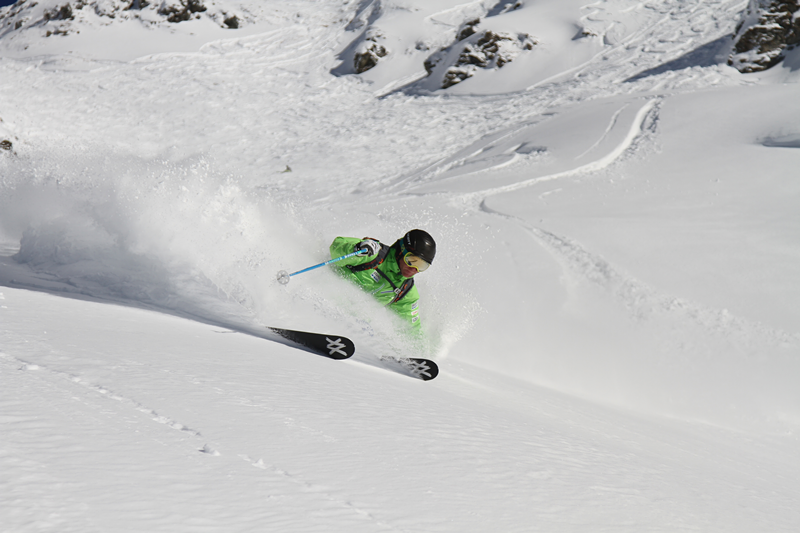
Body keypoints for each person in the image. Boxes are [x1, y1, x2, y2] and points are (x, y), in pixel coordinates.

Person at [329, 229, 436, 331]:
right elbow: (335, 248)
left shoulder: (405, 291)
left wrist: (418, 349)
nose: (414, 269)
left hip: (348, 323)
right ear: (401, 251)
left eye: (422, 266)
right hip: (325, 299)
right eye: (412, 260)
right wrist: (356, 249)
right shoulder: (373, 254)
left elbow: (411, 328)